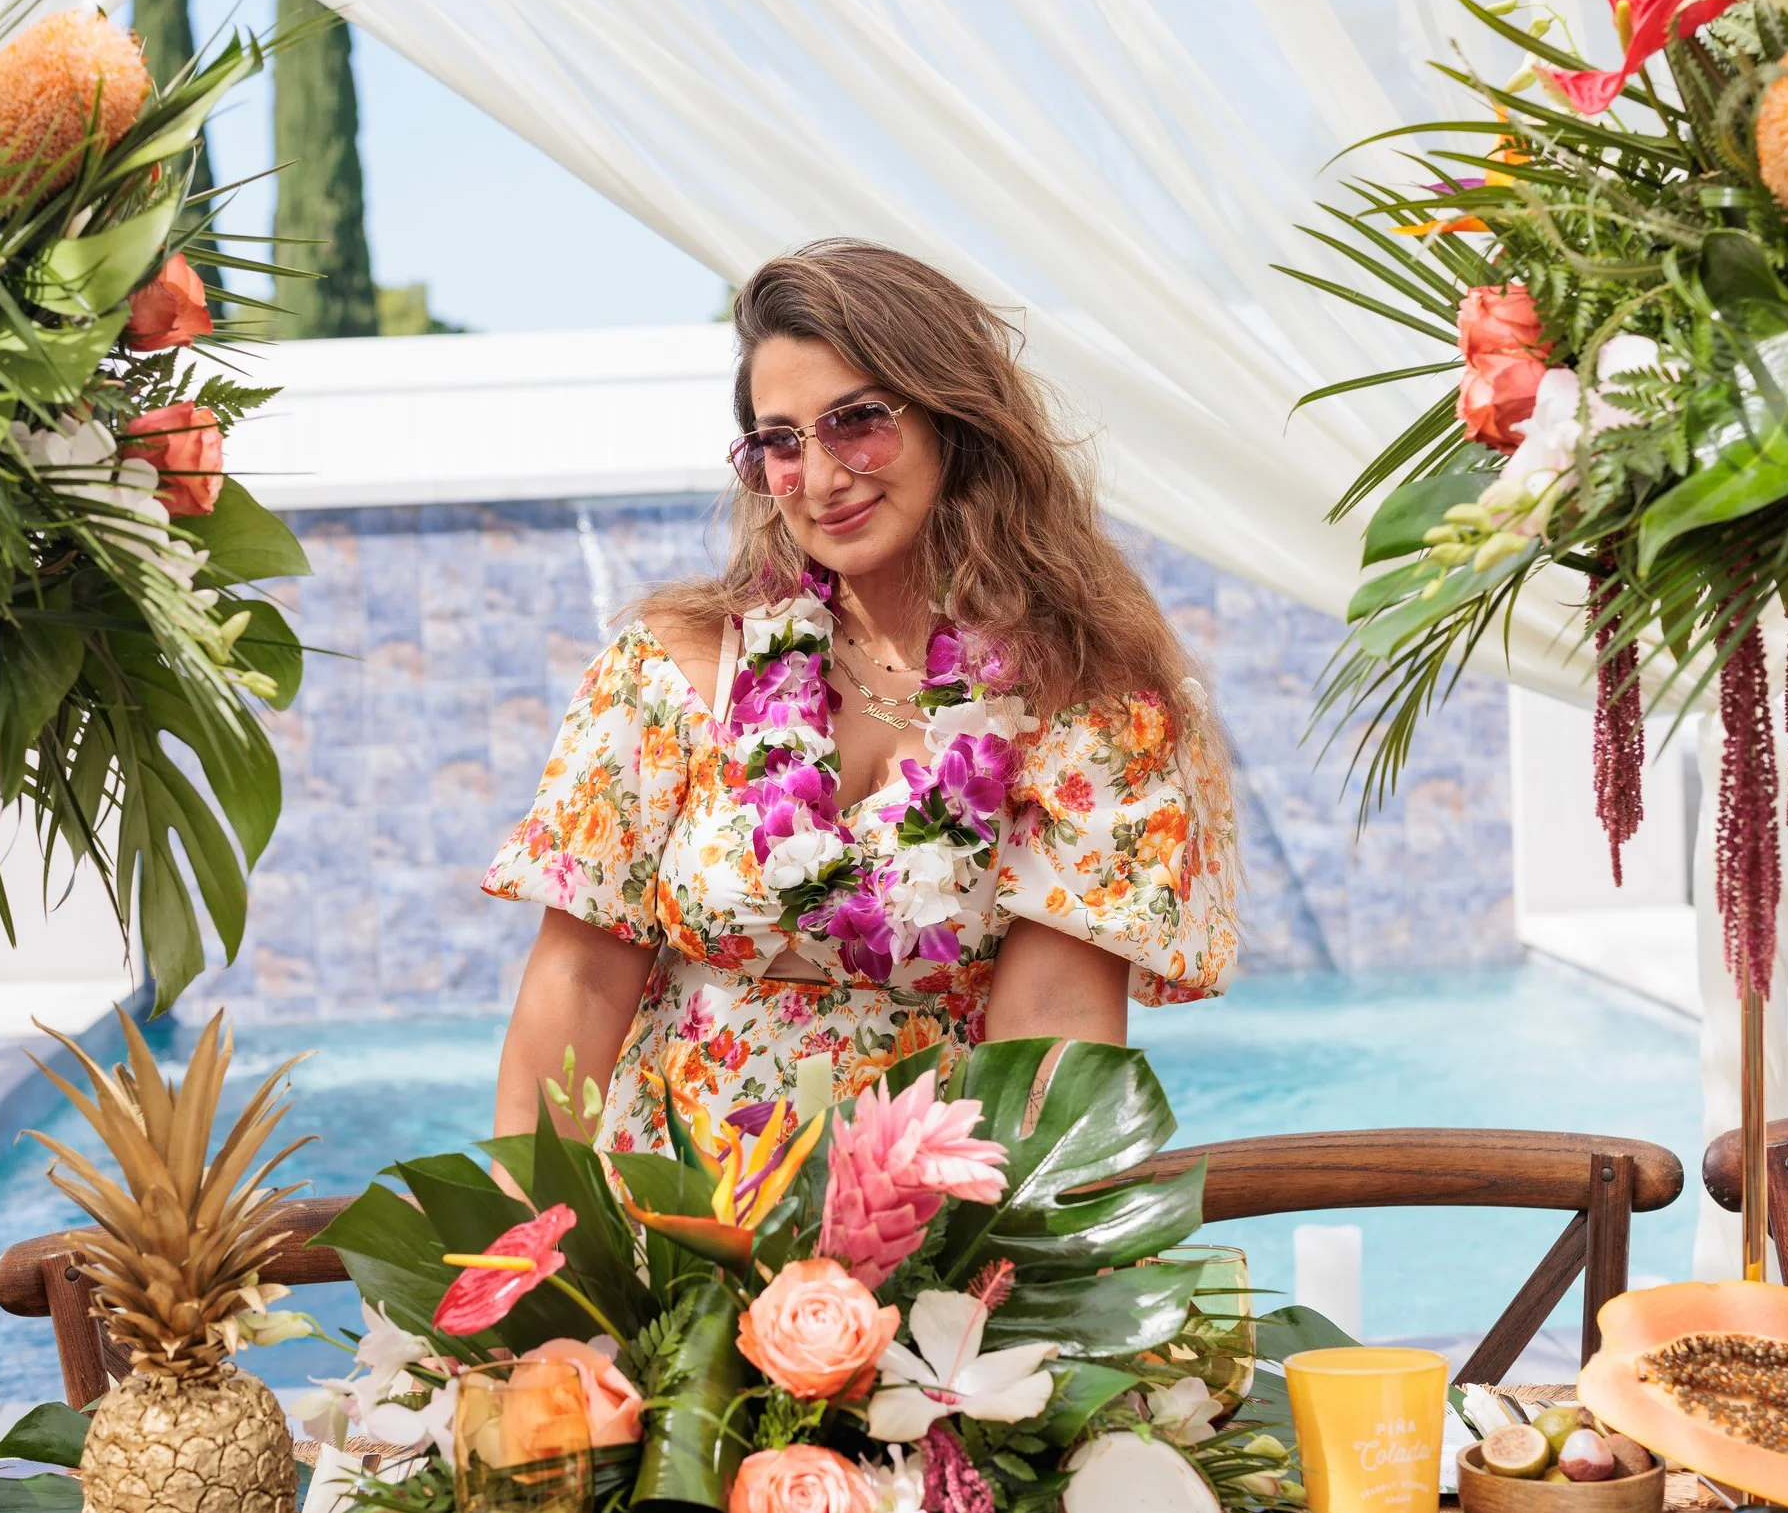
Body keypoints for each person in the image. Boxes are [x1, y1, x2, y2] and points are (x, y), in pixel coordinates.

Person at [483, 239, 1236, 1152]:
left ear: (953, 417)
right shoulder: (671, 674)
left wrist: (1000, 1279)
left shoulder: (1087, 706)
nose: (823, 477)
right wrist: (533, 1260)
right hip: (665, 1246)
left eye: (856, 421)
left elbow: (1051, 1037)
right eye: (780, 443)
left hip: (932, 1246)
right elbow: (579, 989)